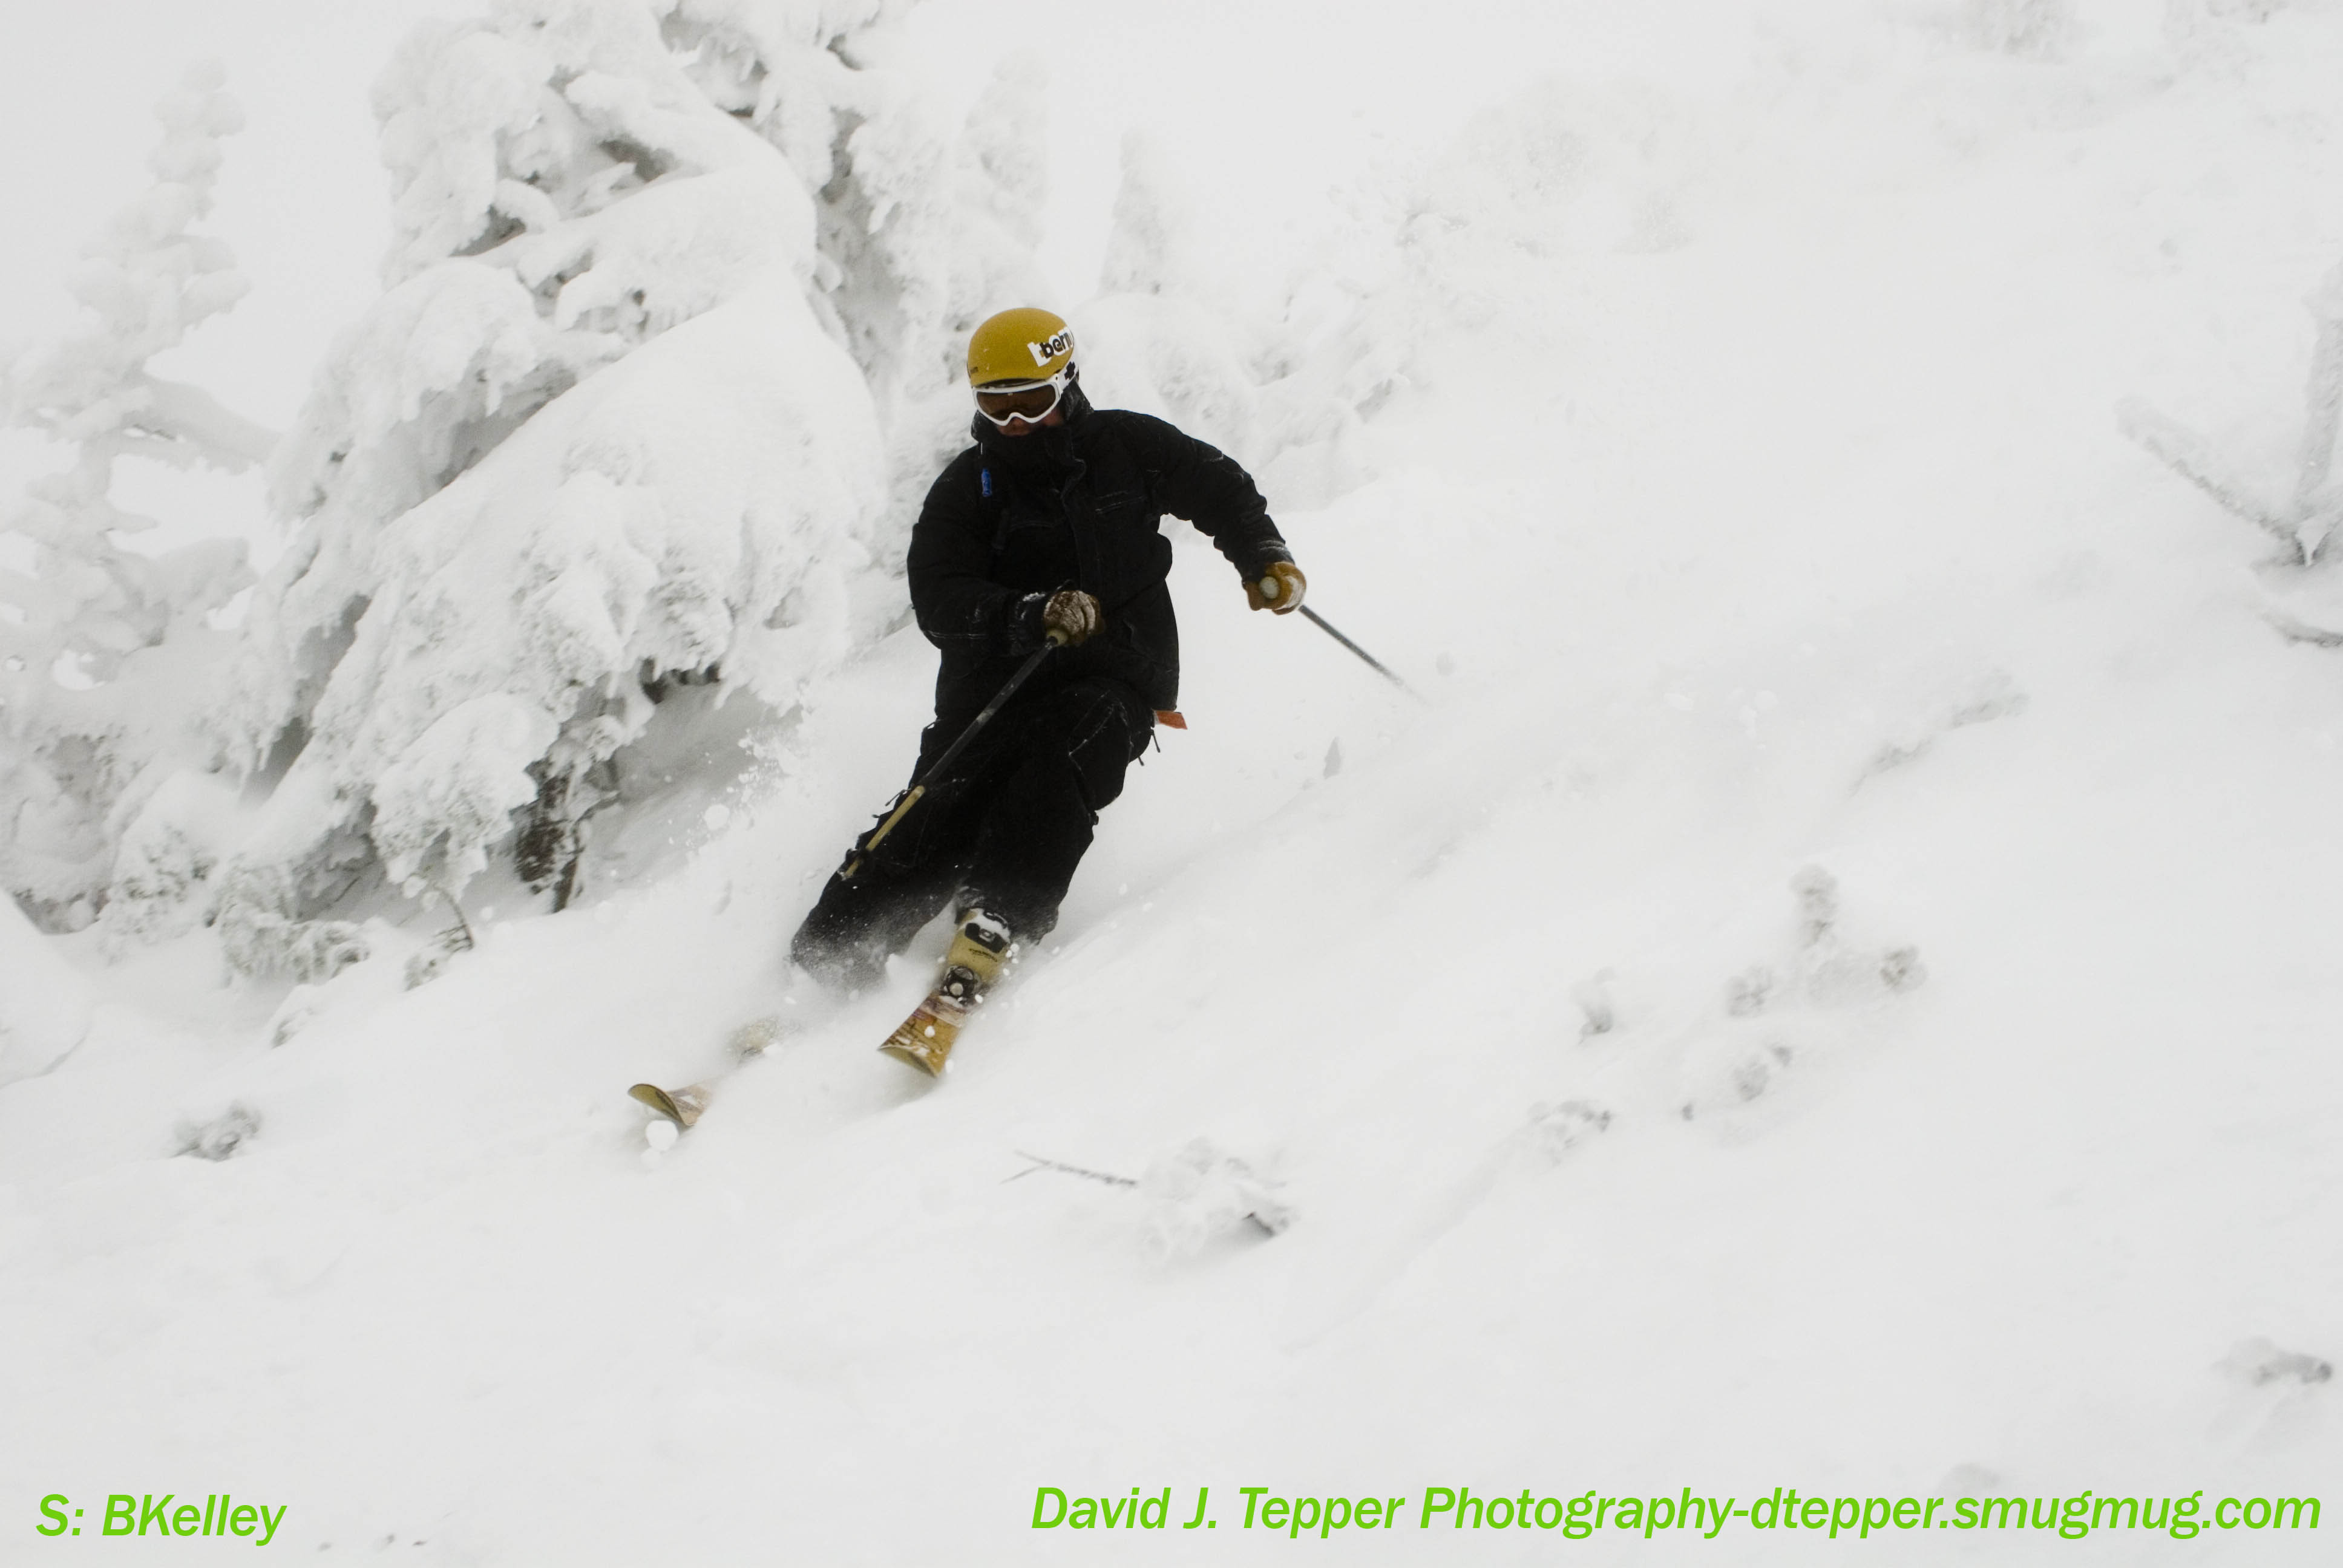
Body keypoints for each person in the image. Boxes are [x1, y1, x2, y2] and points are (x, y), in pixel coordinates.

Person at [789, 307, 1306, 1072]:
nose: (1017, 422)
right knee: (930, 815)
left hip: (1115, 676)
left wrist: (1259, 554)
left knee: (1056, 768)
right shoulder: (968, 490)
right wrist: (1026, 614)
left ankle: (995, 918)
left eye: (1030, 401)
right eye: (997, 406)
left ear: (1066, 382)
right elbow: (937, 596)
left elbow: (1217, 487)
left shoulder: (1128, 448)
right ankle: (816, 975)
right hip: (989, 690)